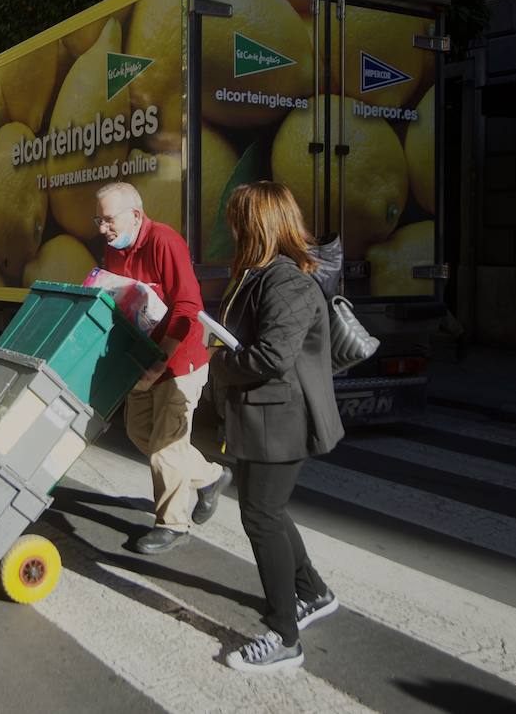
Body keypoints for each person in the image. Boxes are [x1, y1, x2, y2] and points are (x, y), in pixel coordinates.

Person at [208, 181, 345, 673]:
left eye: (237, 220)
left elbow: (271, 355)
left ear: (257, 224)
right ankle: (314, 592)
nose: (232, 228)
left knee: (260, 517)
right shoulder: (259, 273)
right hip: (264, 415)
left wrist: (220, 360)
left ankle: (285, 636)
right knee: (270, 509)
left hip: (281, 419)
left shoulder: (286, 280)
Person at [95, 181, 231, 554]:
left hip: (178, 362)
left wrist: (161, 361)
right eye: (99, 220)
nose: (103, 229)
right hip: (142, 359)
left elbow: (188, 307)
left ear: (136, 215)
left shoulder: (165, 242)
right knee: (139, 432)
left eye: (109, 220)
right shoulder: (114, 251)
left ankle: (172, 523)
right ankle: (210, 477)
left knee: (165, 447)